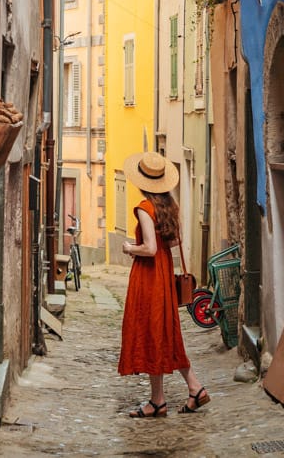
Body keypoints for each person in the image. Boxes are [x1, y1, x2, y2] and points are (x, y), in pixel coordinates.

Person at [118, 151, 211, 418]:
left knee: (151, 331)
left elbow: (148, 248)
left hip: (148, 277)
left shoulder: (145, 209)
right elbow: (173, 242)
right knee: (164, 333)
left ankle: (163, 399)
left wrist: (128, 248)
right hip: (164, 273)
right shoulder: (169, 206)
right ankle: (185, 391)